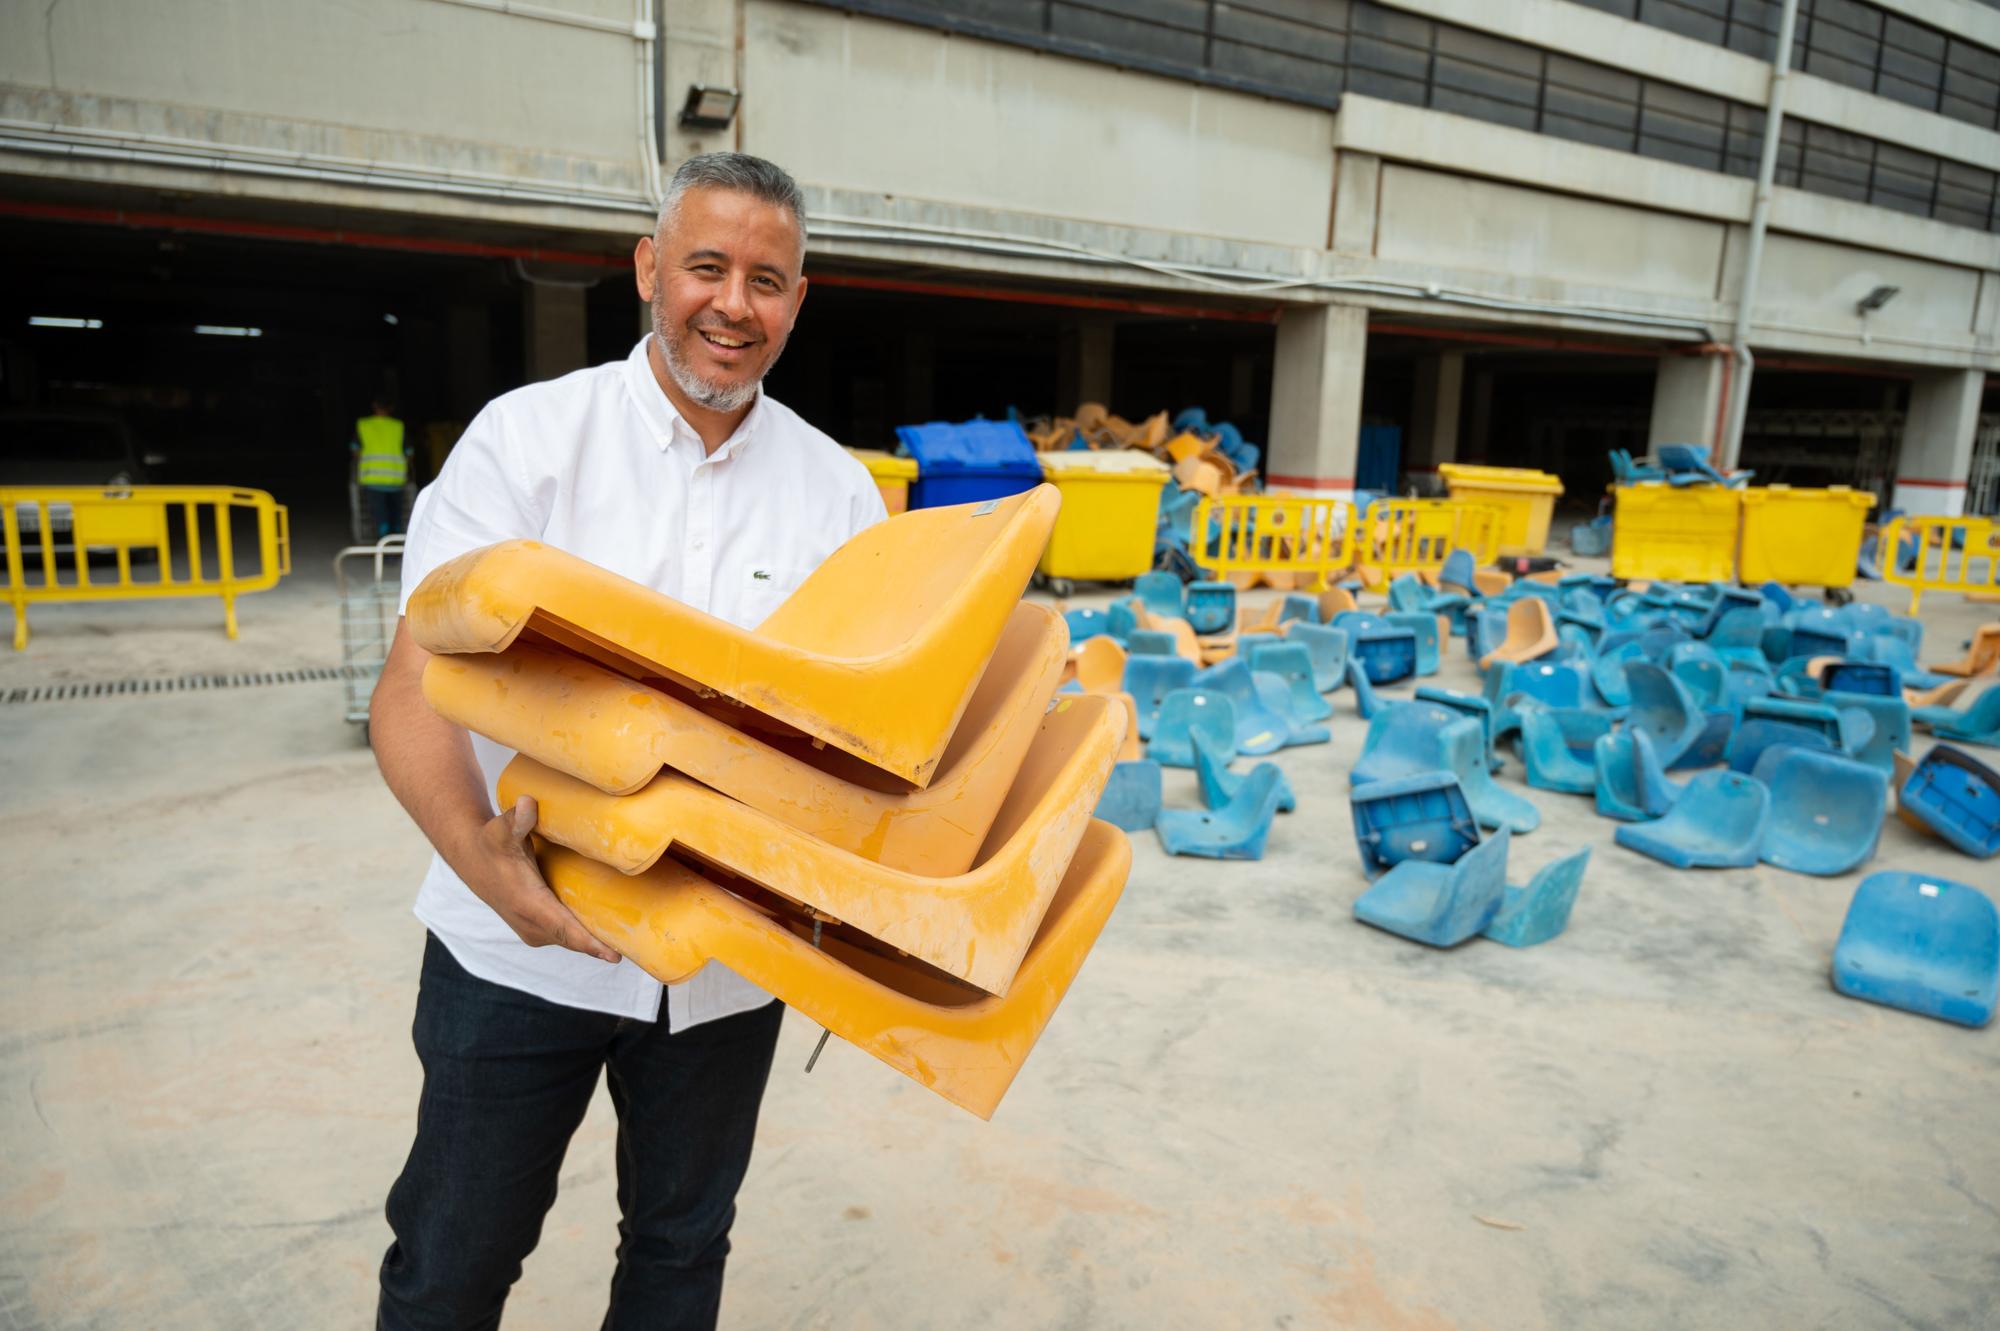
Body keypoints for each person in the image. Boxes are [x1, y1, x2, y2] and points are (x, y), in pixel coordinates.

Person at [368, 153, 886, 1331]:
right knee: (452, 1257)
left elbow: (858, 736)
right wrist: (476, 853)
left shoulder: (837, 495)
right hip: (518, 945)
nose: (732, 304)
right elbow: (410, 684)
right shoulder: (529, 443)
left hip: (720, 966)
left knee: (677, 1252)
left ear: (797, 301)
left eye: (766, 279)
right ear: (650, 269)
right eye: (705, 266)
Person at [352, 397, 413, 538]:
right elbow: (409, 453)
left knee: (381, 517)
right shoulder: (398, 426)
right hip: (396, 480)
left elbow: (355, 450)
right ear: (391, 408)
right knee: (396, 517)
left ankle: (384, 550)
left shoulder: (363, 425)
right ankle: (396, 546)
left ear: (374, 406)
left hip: (373, 480)